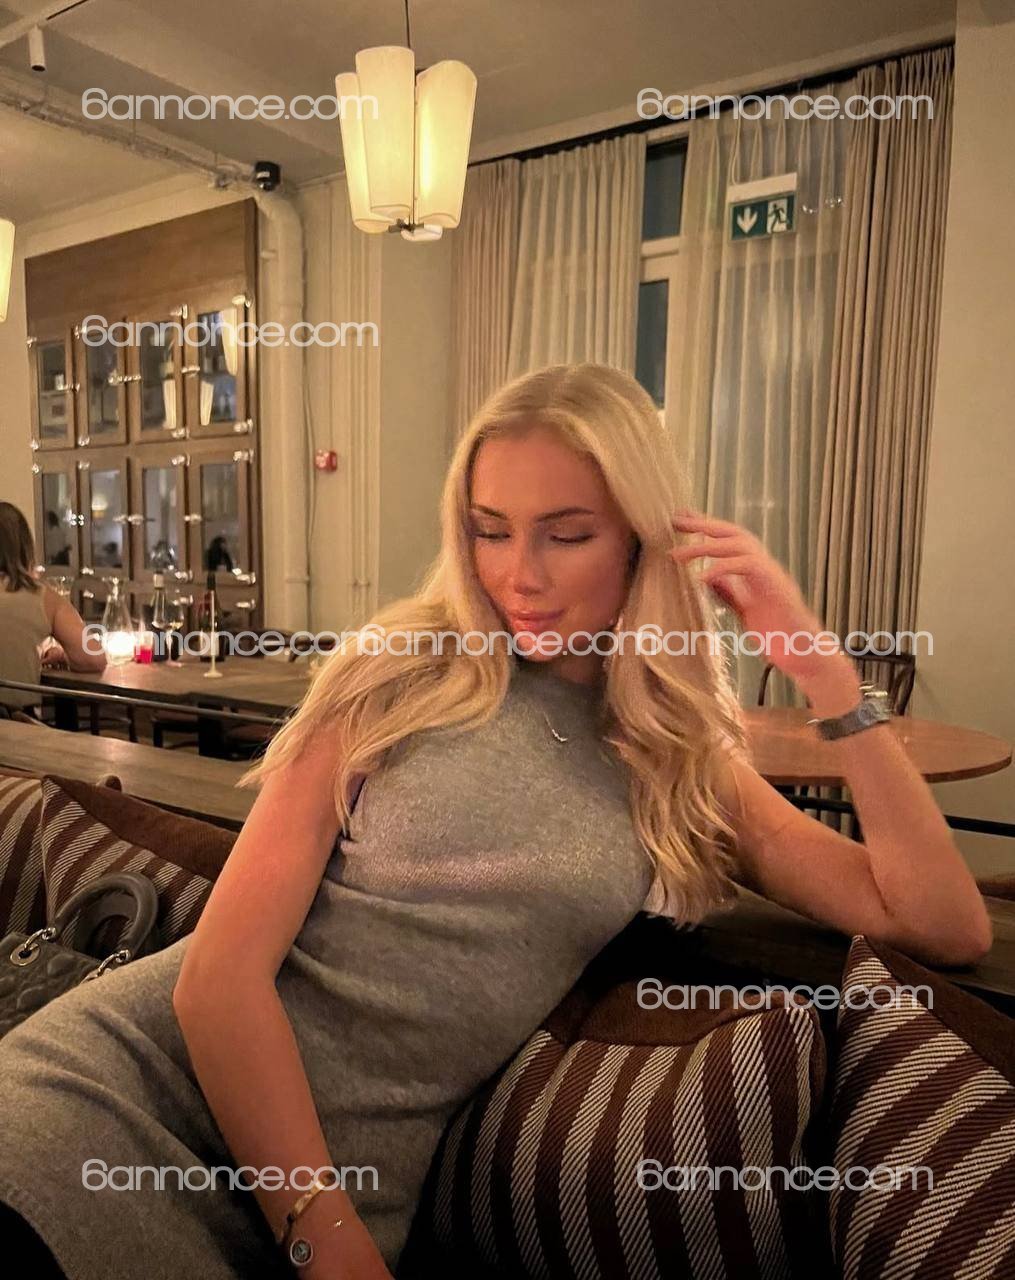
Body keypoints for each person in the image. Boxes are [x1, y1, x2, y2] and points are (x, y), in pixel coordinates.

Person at [0, 365, 990, 1279]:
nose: (520, 573)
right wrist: (323, 1231)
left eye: (566, 534)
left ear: (640, 539)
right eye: (490, 529)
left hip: (336, 1197)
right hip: (112, 1114)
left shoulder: (678, 760)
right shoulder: (399, 668)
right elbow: (218, 980)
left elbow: (939, 921)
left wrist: (824, 672)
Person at [0, 501, 106, 716]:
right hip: (14, 724)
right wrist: (63, 656)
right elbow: (93, 658)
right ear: (25, 548)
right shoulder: (42, 597)